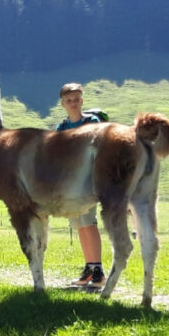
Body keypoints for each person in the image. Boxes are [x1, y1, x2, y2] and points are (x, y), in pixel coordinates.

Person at [57, 82, 107, 289]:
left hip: (88, 179)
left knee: (89, 222)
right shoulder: (62, 127)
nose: (73, 103)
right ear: (63, 103)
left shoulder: (91, 121)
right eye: (69, 101)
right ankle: (89, 268)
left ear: (82, 100)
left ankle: (98, 271)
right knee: (78, 224)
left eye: (77, 99)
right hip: (71, 182)